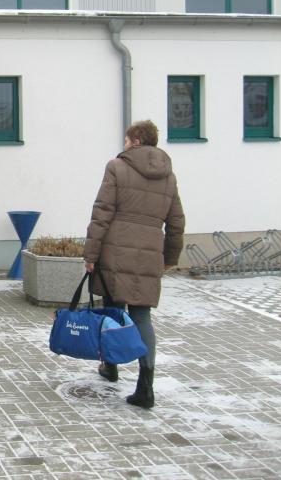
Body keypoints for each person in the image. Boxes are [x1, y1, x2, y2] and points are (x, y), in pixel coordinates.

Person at [83, 120, 185, 409]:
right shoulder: (169, 176)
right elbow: (176, 222)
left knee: (113, 311)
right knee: (142, 317)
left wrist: (91, 254)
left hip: (115, 251)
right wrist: (170, 258)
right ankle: (145, 386)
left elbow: (102, 213)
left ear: (137, 141)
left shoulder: (117, 167)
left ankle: (110, 366)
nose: (125, 144)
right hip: (150, 253)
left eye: (127, 139)